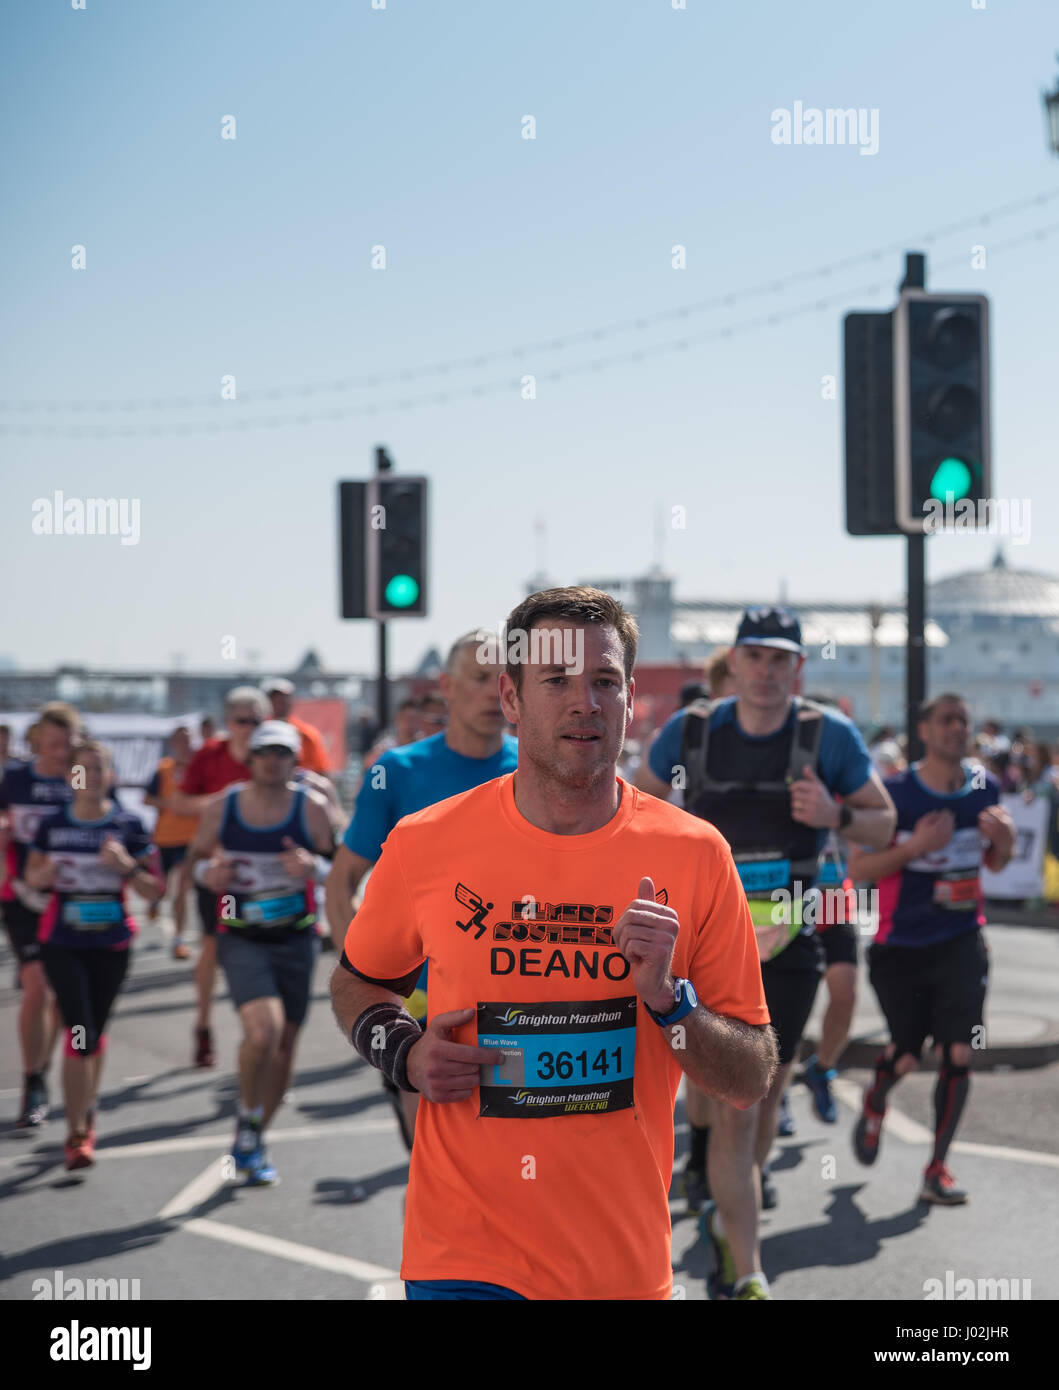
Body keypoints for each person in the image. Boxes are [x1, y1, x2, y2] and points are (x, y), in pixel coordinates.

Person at [331, 586, 776, 1300]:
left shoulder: (694, 854)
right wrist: (403, 1051)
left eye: (605, 681)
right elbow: (358, 979)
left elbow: (747, 1077)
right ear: (511, 699)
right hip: (464, 1256)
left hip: (619, 1266)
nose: (585, 702)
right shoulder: (424, 843)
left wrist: (667, 1001)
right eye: (556, 681)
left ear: (630, 700)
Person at [636, 606, 895, 1298]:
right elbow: (630, 809)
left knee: (758, 1092)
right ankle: (745, 1260)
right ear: (736, 660)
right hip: (704, 936)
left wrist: (836, 816)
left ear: (797, 668)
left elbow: (883, 820)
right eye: (754, 656)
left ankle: (731, 1209)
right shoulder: (690, 731)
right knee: (723, 1094)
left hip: (788, 941)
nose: (765, 671)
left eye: (780, 659)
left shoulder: (825, 734)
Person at [325, 632, 517, 1150]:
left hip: (517, 999)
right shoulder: (398, 772)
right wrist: (367, 981)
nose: (492, 692)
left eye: (504, 679)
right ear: (446, 687)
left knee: (512, 1167)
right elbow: (342, 879)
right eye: (478, 678)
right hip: (424, 1003)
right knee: (433, 1161)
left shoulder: (538, 770)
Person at [848, 693, 1014, 1204]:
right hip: (901, 946)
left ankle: (936, 1169)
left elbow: (997, 865)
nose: (956, 728)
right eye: (945, 720)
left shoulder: (986, 787)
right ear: (924, 729)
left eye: (962, 720)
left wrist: (1003, 843)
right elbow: (858, 868)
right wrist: (914, 849)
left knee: (959, 1053)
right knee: (905, 1053)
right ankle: (876, 1099)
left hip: (963, 941)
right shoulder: (895, 793)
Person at [187, 720, 335, 1185]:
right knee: (263, 1031)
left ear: (296, 760)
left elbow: (347, 864)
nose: (274, 761)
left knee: (286, 1043)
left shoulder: (309, 808)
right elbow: (191, 861)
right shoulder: (223, 806)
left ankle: (253, 1133)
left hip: (295, 936)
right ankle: (248, 1112)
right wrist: (209, 873)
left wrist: (316, 867)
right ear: (249, 760)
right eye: (265, 752)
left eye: (283, 753)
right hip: (242, 936)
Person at [23, 740, 163, 1168]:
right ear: (72, 778)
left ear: (110, 777)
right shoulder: (51, 826)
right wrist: (44, 876)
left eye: (99, 770)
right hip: (63, 942)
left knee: (93, 1032)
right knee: (78, 1031)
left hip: (111, 944)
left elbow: (155, 891)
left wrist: (127, 867)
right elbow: (30, 877)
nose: (91, 778)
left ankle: (86, 1107)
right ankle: (76, 1131)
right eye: (82, 770)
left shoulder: (129, 824)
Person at [164, 687, 270, 1066]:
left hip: (264, 875)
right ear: (228, 723)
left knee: (262, 952)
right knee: (213, 946)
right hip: (218, 872)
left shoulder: (273, 755)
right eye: (241, 720)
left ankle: (260, 1042)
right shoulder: (210, 755)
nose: (248, 728)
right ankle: (204, 1025)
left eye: (256, 720)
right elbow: (178, 802)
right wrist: (222, 802)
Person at [0, 702, 81, 1129]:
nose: (57, 752)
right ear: (36, 741)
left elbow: (101, 811)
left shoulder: (81, 775)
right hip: (22, 895)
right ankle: (33, 1079)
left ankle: (45, 1069)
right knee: (38, 988)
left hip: (72, 899)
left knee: (59, 998)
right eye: (50, 744)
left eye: (64, 744)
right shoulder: (15, 777)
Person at [143, 725, 197, 959]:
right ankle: (155, 901)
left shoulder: (199, 769)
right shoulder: (163, 769)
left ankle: (179, 939)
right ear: (174, 743)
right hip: (165, 837)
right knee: (162, 887)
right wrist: (169, 804)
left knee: (182, 888)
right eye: (180, 740)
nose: (184, 744)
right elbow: (147, 798)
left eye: (188, 740)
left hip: (191, 839)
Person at [263, 679, 331, 776]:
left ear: (291, 701)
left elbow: (321, 769)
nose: (279, 702)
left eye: (283, 698)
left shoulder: (307, 734)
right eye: (275, 698)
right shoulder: (259, 731)